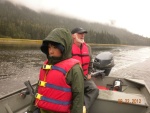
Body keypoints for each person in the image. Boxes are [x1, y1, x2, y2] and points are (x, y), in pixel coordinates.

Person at [26, 28, 84, 113]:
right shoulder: (47, 65)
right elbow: (38, 90)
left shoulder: (74, 69)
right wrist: (30, 110)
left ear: (64, 48)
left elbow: (78, 99)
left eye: (55, 47)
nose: (51, 51)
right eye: (49, 47)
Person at [71, 27, 99, 113]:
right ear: (73, 36)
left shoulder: (87, 47)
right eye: (80, 33)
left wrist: (89, 73)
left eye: (83, 34)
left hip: (85, 77)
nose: (82, 35)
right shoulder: (68, 48)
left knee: (94, 89)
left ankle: (83, 108)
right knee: (77, 92)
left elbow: (90, 62)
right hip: (72, 78)